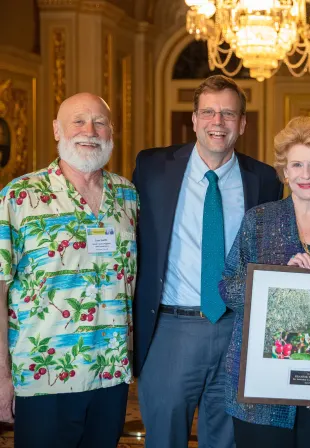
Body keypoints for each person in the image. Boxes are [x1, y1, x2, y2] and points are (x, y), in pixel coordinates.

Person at [132, 75, 283, 448]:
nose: (218, 122)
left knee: (227, 440)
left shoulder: (263, 179)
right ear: (196, 119)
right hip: (170, 329)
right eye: (209, 112)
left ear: (242, 124)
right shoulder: (152, 167)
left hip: (237, 330)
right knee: (164, 438)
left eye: (228, 114)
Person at [0, 93, 138, 448]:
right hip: (43, 374)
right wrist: (1, 375)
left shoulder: (128, 196)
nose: (89, 130)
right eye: (78, 121)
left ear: (112, 132)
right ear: (57, 130)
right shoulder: (19, 197)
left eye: (99, 122)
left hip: (111, 373)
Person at [220, 115, 310, 448]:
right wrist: (277, 283)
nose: (306, 174)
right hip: (263, 393)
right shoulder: (258, 221)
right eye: (297, 165)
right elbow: (227, 287)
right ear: (285, 172)